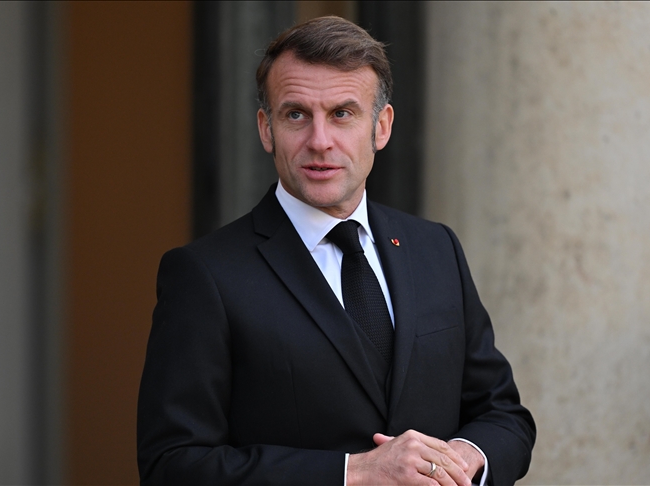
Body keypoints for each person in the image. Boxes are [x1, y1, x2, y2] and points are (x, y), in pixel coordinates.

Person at [137, 16, 535, 485]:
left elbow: (503, 414)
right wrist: (352, 472)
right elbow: (172, 465)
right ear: (266, 129)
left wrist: (461, 459)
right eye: (296, 115)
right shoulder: (204, 275)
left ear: (381, 127)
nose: (319, 141)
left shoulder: (436, 248)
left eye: (342, 114)